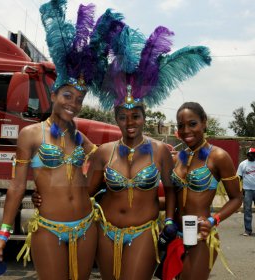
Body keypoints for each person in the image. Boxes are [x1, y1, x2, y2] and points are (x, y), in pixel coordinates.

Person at [32, 12, 212, 280]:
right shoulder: (105, 152)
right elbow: (87, 191)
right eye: (123, 116)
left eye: (136, 116)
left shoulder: (160, 151)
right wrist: (46, 197)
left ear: (144, 117)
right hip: (106, 230)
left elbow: (172, 188)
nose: (130, 122)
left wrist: (172, 220)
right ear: (115, 118)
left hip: (143, 231)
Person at [0, 1, 126, 279]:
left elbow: (107, 161)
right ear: (53, 96)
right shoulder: (31, 134)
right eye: (66, 96)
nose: (73, 104)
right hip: (49, 227)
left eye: (79, 99)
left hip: (86, 225)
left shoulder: (80, 136)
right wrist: (3, 233)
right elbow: (16, 186)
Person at [169, 101, 242, 280]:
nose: (186, 130)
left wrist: (212, 220)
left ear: (204, 122)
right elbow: (173, 196)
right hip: (176, 235)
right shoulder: (178, 158)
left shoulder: (218, 156)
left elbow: (236, 198)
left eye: (192, 124)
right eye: (181, 126)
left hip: (201, 235)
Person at [237, 147, 255, 236]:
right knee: (247, 210)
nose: (252, 155)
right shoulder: (242, 164)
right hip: (247, 190)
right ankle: (248, 230)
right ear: (247, 155)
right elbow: (239, 177)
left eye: (253, 154)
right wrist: (238, 190)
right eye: (250, 154)